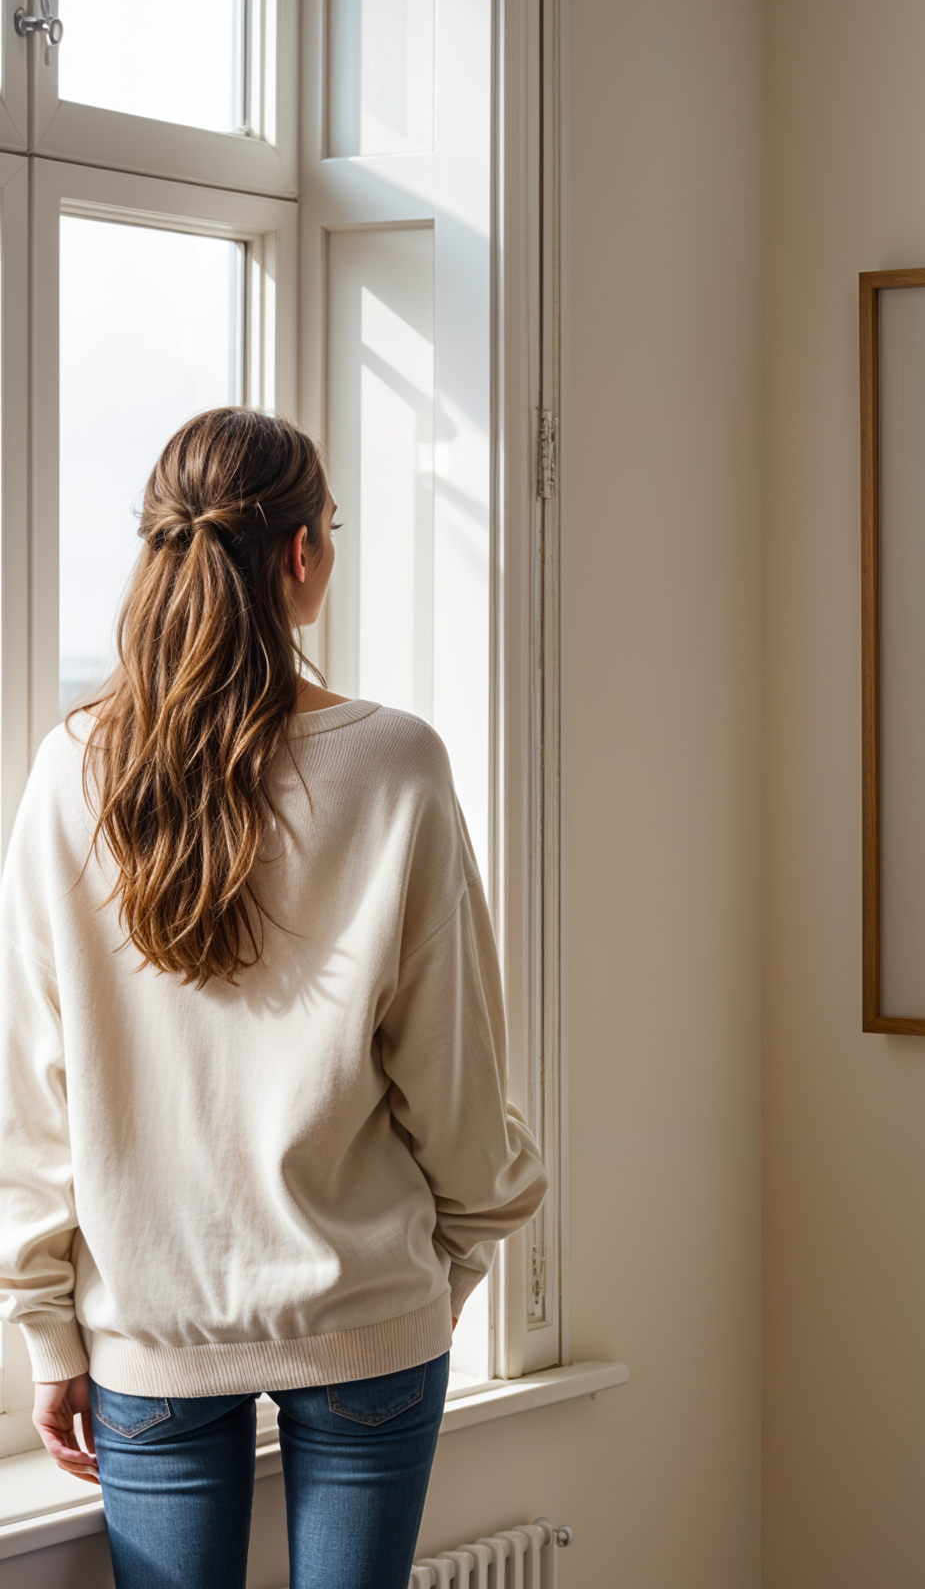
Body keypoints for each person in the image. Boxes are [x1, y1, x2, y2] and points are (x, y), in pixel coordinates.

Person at [0, 408, 546, 1589]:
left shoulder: (66, 771)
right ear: (301, 554)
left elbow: (31, 1090)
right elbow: (452, 1065)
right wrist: (461, 1259)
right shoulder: (395, 762)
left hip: (146, 1332)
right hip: (368, 1312)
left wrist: (50, 1329)